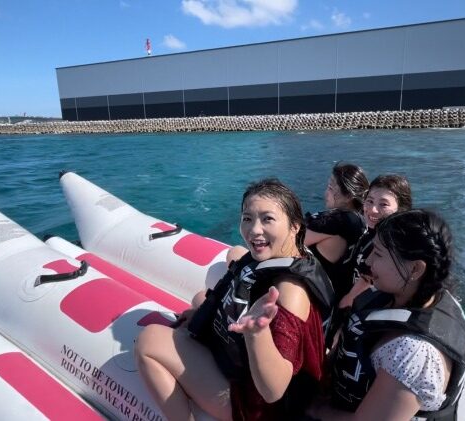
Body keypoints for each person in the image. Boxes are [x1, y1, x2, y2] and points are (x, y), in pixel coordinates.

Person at [135, 179, 334, 421]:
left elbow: (274, 390)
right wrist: (205, 314)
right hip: (249, 369)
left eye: (267, 219)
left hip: (260, 406)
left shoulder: (290, 292)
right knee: (200, 300)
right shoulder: (292, 256)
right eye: (247, 218)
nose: (254, 230)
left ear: (295, 226)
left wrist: (256, 333)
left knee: (150, 339)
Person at [309, 209, 465, 420]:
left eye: (378, 253)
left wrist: (315, 409)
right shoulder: (395, 293)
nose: (368, 261)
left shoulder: (416, 354)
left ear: (415, 270)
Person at [339, 174, 413, 308]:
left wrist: (349, 298)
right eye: (370, 201)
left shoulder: (394, 244)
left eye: (383, 204)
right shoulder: (369, 232)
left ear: (401, 209)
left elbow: (369, 276)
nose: (373, 210)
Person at [304, 162, 369, 301]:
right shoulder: (359, 219)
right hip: (337, 292)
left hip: (315, 296)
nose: (326, 193)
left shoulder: (339, 222)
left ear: (348, 197)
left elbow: (289, 243)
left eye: (330, 187)